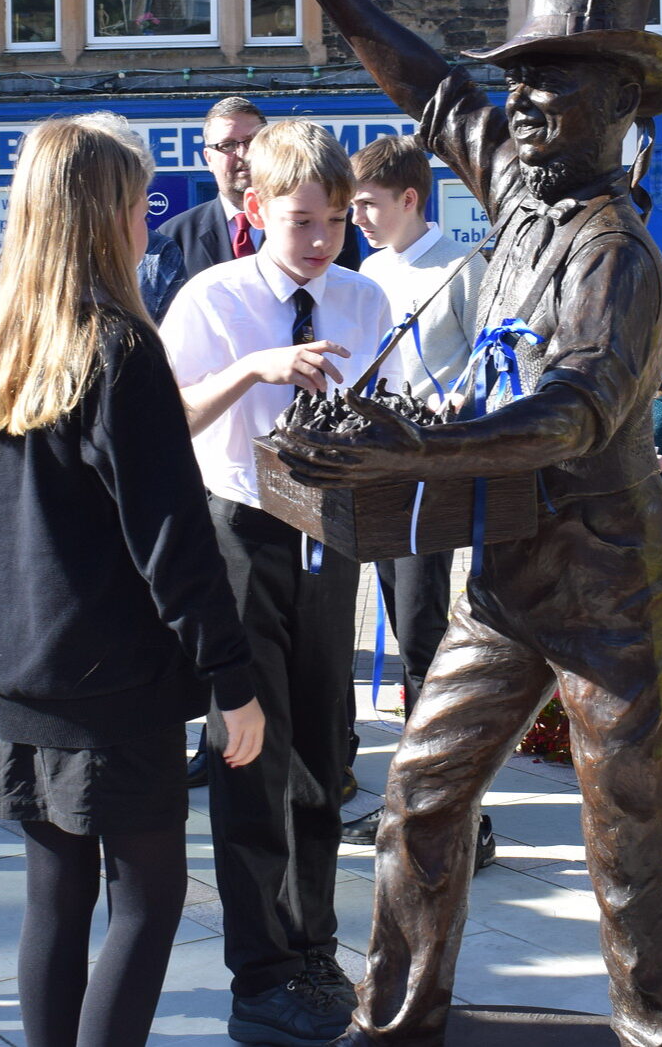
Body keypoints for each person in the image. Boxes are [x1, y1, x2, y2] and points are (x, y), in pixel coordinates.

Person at [238, 0, 662, 1047]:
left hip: (609, 587)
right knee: (418, 800)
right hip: (509, 577)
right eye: (523, 80)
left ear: (616, 103)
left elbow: (572, 413)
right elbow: (428, 82)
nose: (524, 102)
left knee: (627, 841)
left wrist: (416, 446)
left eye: (553, 83)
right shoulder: (522, 192)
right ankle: (396, 1022)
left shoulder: (616, 258)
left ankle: (660, 1031)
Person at [0, 112, 264, 1047]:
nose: (146, 223)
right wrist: (229, 680)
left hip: (21, 668)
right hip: (111, 675)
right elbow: (171, 537)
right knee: (149, 899)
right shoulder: (118, 349)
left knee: (56, 895)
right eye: (135, 203)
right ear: (99, 214)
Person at [159, 118, 393, 1044]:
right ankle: (257, 969)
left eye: (334, 221)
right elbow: (170, 415)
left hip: (327, 533)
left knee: (322, 756)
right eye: (300, 221)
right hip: (241, 533)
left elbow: (385, 405)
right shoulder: (211, 298)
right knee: (250, 756)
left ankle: (312, 946)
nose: (320, 240)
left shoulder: (362, 298)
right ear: (255, 210)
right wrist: (253, 366)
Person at [339, 135, 484, 849]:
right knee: (403, 632)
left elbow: (497, 357)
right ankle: (419, 794)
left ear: (408, 198)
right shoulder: (367, 269)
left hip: (432, 473)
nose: (356, 217)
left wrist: (462, 405)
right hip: (380, 470)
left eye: (366, 204)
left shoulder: (462, 265)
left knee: (425, 633)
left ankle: (447, 808)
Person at [157, 96, 362, 277]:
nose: (244, 154)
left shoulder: (329, 222)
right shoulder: (175, 235)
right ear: (208, 158)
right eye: (227, 145)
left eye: (252, 141)